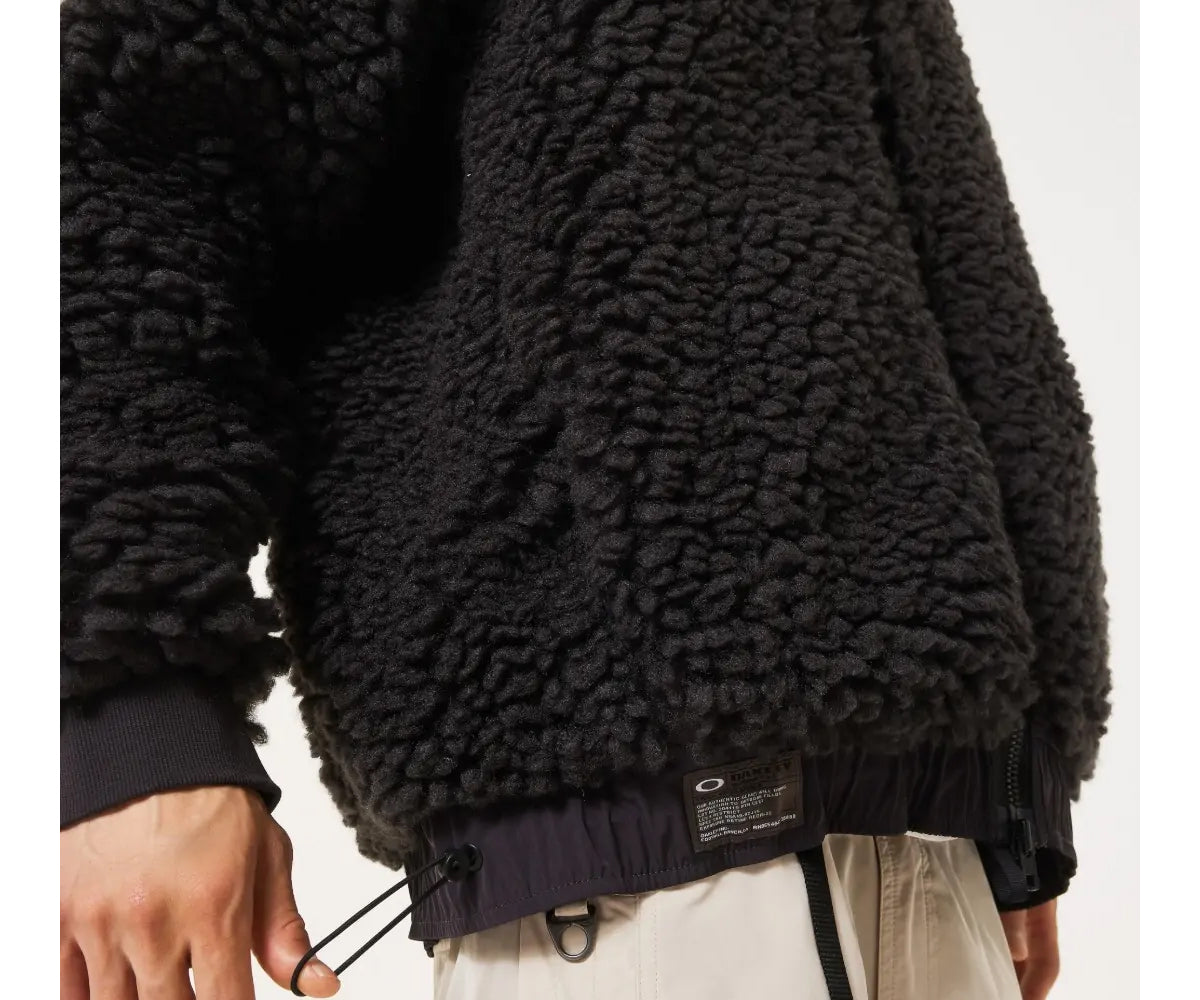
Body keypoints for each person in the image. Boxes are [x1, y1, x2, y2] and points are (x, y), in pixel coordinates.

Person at [59, 0, 1110, 998]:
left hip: (934, 852)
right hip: (632, 880)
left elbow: (944, 229)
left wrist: (1017, 784)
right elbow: (125, 162)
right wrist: (130, 718)